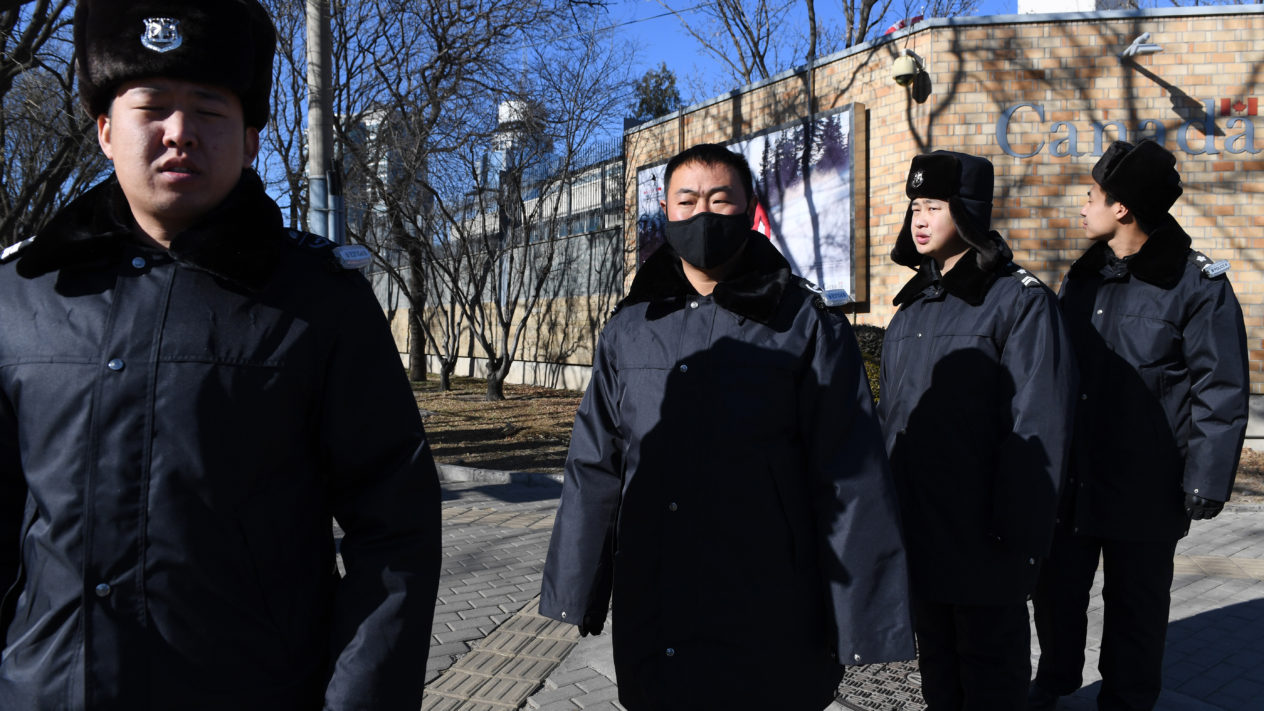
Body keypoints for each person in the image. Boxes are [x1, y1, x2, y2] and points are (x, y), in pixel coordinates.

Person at [0, 2, 441, 709]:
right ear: (105, 128)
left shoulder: (319, 302)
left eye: (209, 110)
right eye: (152, 107)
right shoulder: (21, 296)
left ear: (251, 139)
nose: (180, 132)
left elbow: (395, 529)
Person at [539, 143, 914, 710]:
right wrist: (578, 584)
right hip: (657, 602)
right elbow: (595, 464)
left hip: (770, 603)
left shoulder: (805, 324)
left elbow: (850, 475)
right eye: (686, 201)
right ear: (665, 212)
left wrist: (864, 618)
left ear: (749, 209)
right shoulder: (630, 328)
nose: (703, 214)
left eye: (720, 200)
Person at [1029, 139, 1249, 711]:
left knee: (1136, 606)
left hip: (1148, 482)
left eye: (1092, 195)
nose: (1083, 205)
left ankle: (1126, 701)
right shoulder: (1084, 277)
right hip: (1074, 477)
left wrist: (1206, 480)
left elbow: (1220, 388)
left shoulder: (1196, 285)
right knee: (1056, 591)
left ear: (1122, 207)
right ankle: (1054, 683)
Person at [877, 151, 1076, 710]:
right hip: (921, 531)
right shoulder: (911, 310)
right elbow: (892, 420)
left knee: (991, 678)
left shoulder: (1019, 301)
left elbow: (1039, 421)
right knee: (939, 675)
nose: (919, 220)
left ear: (966, 211)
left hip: (987, 536)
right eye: (915, 206)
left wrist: (1018, 531)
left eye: (933, 207)